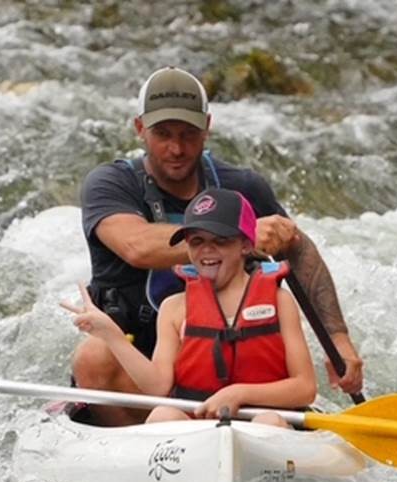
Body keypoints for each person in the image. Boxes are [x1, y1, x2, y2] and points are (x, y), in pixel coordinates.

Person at [75, 65, 362, 425]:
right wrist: (231, 235)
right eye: (162, 134)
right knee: (93, 356)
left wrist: (338, 339)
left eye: (189, 134)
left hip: (238, 370)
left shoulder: (242, 186)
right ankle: (140, 456)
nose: (176, 148)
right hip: (148, 362)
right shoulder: (109, 183)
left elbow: (297, 247)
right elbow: (137, 246)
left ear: (208, 127)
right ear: (139, 129)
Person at [63, 188, 316, 427]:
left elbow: (305, 388)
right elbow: (158, 387)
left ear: (246, 245)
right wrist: (111, 334)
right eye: (196, 241)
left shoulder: (280, 301)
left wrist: (239, 393)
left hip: (261, 420)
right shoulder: (173, 308)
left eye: (220, 240)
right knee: (163, 415)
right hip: (198, 430)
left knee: (268, 422)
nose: (207, 250)